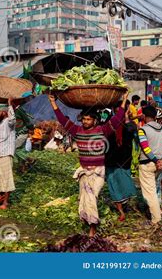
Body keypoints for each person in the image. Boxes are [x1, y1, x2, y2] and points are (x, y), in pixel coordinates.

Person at [48, 92, 128, 237]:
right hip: (84, 170)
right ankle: (87, 221)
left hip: (97, 171)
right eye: (83, 119)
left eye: (88, 119)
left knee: (91, 198)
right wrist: (53, 103)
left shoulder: (102, 130)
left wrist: (124, 101)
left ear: (94, 121)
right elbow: (62, 119)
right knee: (84, 198)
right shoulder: (77, 131)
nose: (85, 122)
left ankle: (93, 228)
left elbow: (117, 120)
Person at [137, 105, 162, 225]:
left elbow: (145, 148)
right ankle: (158, 213)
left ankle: (156, 220)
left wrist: (155, 160)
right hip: (160, 165)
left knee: (150, 193)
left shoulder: (143, 130)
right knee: (155, 189)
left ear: (144, 116)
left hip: (148, 164)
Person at [104, 100, 138, 222]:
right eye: (118, 109)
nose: (121, 112)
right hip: (111, 159)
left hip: (124, 160)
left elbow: (130, 131)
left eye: (123, 109)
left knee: (125, 184)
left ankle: (125, 206)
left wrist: (126, 118)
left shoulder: (131, 125)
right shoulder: (109, 123)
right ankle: (121, 211)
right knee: (114, 186)